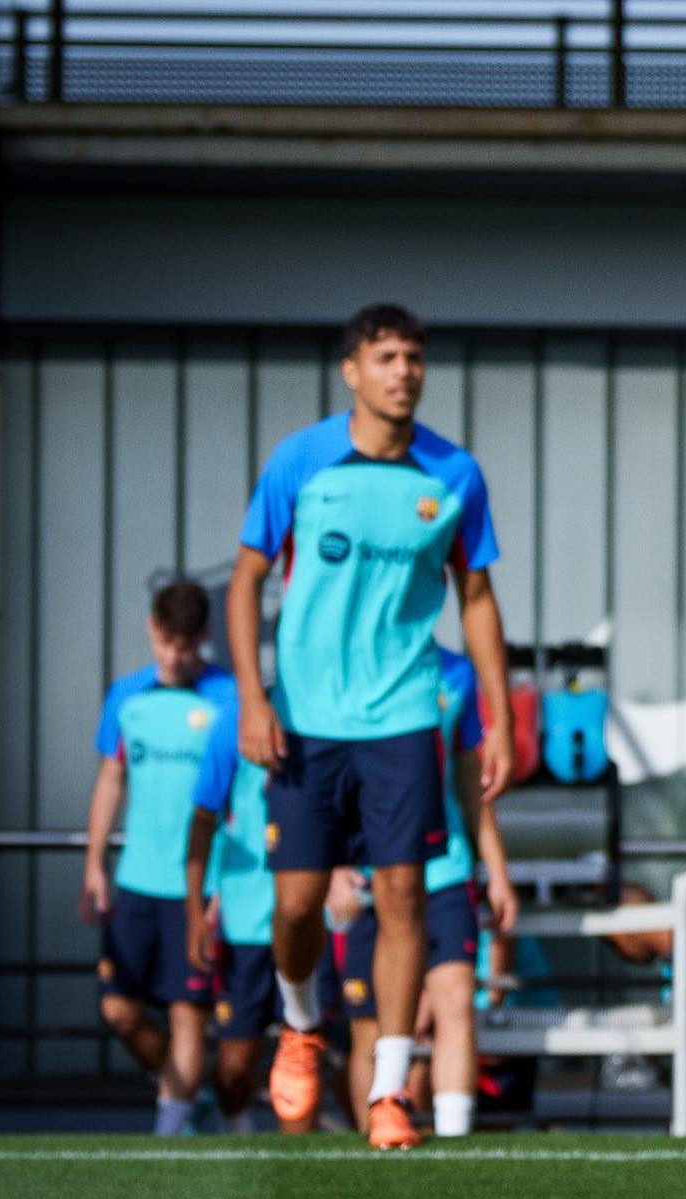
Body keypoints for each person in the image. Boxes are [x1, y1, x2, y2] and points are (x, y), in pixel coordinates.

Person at [227, 303, 514, 1151]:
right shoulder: (300, 462)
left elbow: (477, 598)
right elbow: (245, 585)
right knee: (297, 907)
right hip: (307, 724)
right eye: (386, 357)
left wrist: (493, 718)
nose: (404, 371)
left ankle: (389, 1090)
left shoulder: (453, 474)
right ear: (351, 369)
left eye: (415, 357)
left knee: (401, 896)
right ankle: (301, 1019)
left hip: (401, 717)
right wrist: (252, 697)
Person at [342, 644, 520, 1137]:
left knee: (456, 1001)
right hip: (368, 873)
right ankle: (376, 1135)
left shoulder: (458, 673)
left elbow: (470, 781)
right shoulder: (355, 660)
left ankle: (452, 1143)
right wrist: (334, 866)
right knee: (368, 1028)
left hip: (444, 870)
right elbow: (329, 777)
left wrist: (498, 873)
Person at [80, 581, 235, 1135]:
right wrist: (94, 863)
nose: (175, 656)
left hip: (199, 886)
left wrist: (225, 888)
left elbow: (240, 799)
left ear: (204, 639)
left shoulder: (228, 699)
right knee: (118, 1009)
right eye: (167, 643)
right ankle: (189, 1091)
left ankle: (170, 1137)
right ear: (151, 630)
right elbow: (111, 778)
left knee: (188, 1013)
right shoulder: (127, 696)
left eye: (187, 646)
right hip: (137, 881)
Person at [185, 695, 295, 1133]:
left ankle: (321, 1165)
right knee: (233, 1068)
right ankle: (239, 1137)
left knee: (315, 1053)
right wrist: (198, 906)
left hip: (309, 921)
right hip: (245, 923)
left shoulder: (321, 713)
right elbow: (203, 816)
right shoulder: (230, 720)